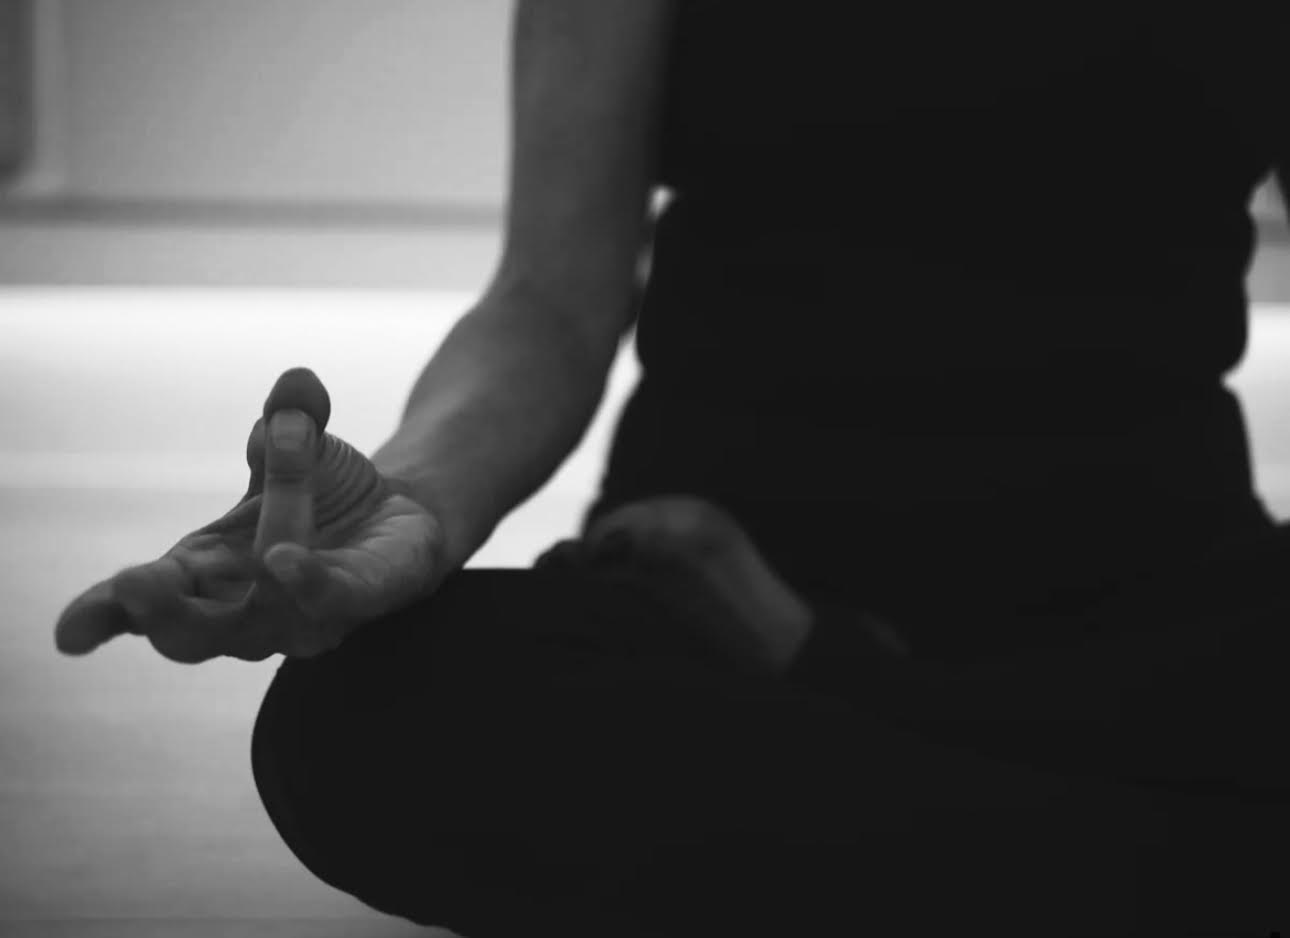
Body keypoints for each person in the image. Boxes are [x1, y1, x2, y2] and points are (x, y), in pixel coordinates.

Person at [53, 3, 1290, 935]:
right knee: (363, 725)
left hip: (1143, 606)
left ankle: (841, 741)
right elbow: (549, 297)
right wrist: (420, 499)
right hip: (696, 601)